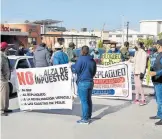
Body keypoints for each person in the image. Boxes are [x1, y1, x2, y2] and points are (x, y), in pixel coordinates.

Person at [71, 46, 97, 124]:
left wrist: (72, 67)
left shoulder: (81, 59)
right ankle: (88, 116)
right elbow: (94, 71)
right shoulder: (92, 60)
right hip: (90, 82)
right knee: (89, 100)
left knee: (84, 101)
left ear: (82, 51)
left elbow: (76, 70)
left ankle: (85, 119)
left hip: (83, 82)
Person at [149, 39, 162, 125]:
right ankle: (159, 114)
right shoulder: (157, 54)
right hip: (155, 80)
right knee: (157, 99)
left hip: (160, 80)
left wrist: (155, 73)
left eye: (157, 45)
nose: (156, 46)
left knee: (160, 100)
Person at [0, 42, 12, 116]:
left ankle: (6, 108)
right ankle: (1, 110)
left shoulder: (4, 56)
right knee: (2, 95)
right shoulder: (1, 56)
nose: (8, 49)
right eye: (7, 47)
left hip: (5, 78)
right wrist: (2, 78)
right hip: (2, 79)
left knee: (6, 94)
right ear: (5, 48)